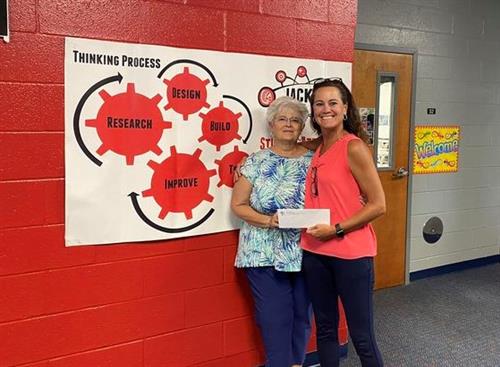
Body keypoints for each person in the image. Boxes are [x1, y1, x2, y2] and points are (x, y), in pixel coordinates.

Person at [300, 78, 386, 367]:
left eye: (333, 103)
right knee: (325, 330)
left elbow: (378, 205)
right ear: (313, 110)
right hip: (315, 252)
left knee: (362, 337)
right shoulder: (318, 147)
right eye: (319, 104)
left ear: (346, 108)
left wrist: (335, 229)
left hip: (351, 254)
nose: (326, 109)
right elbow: (289, 147)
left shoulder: (354, 148)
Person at [231, 96, 313, 367]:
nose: (288, 124)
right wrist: (268, 221)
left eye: (295, 120)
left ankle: (295, 364)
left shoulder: (316, 161)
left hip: (306, 252)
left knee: (302, 316)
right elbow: (239, 206)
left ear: (302, 127)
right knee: (275, 318)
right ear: (271, 125)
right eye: (282, 119)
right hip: (262, 253)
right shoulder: (255, 162)